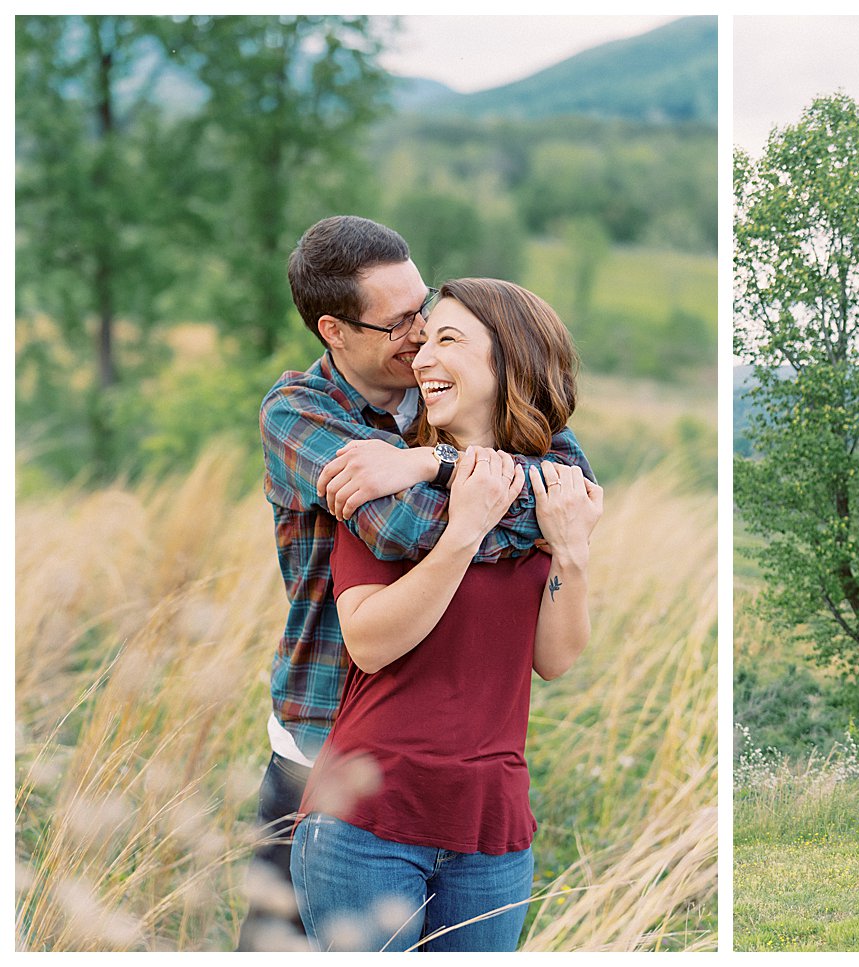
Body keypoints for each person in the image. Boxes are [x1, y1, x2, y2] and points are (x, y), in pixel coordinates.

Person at [242, 216, 587, 951]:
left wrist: (430, 466)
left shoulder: (448, 409)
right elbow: (399, 530)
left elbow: (577, 493)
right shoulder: (301, 414)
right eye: (398, 322)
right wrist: (502, 502)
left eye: (423, 306)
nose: (420, 332)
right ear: (335, 330)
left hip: (448, 761)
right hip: (324, 746)